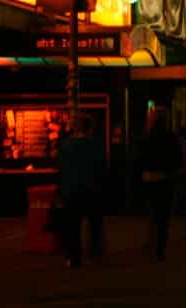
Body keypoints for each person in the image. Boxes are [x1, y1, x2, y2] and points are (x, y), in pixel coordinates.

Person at [58, 113, 106, 268]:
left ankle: (74, 257)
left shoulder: (66, 144)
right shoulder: (96, 144)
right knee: (94, 224)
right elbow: (102, 167)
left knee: (72, 226)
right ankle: (95, 254)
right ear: (90, 127)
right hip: (92, 189)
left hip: (71, 190)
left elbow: (62, 169)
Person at [138, 106, 182, 262]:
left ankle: (151, 243)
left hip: (149, 179)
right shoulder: (170, 137)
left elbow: (139, 158)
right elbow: (177, 160)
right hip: (165, 179)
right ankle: (160, 248)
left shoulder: (146, 137)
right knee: (163, 215)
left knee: (152, 213)